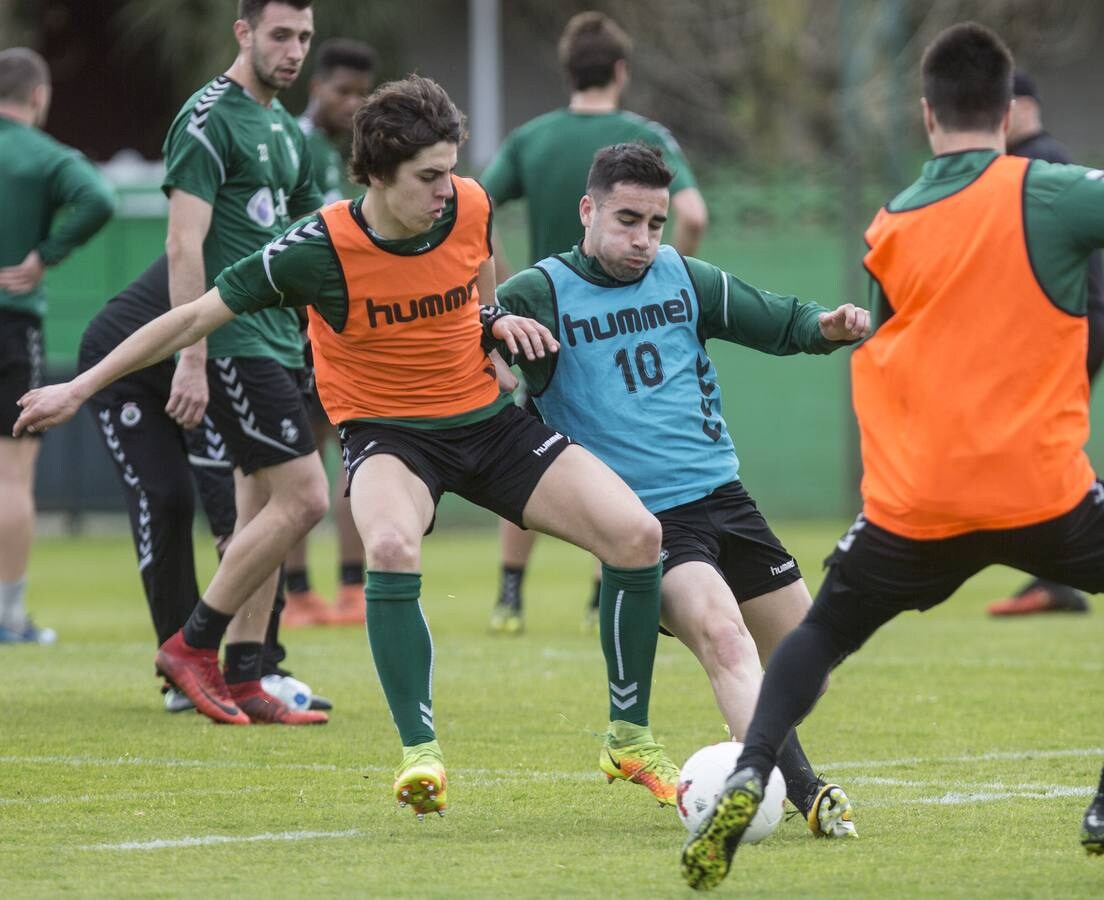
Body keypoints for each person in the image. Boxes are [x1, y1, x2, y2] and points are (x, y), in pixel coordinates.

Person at [680, 22, 1104, 889]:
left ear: (926, 116)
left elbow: (890, 344)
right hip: (1039, 495)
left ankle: (750, 768)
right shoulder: (1045, 188)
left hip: (913, 503)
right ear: (1008, 112)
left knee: (820, 633)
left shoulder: (891, 220)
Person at [17, 75, 682, 815]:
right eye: (428, 176)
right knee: (392, 546)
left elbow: (480, 274)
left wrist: (492, 325)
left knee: (636, 534)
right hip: (390, 436)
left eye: (451, 169)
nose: (447, 188)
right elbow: (189, 319)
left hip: (487, 424)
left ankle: (628, 738)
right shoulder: (316, 249)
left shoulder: (470, 203)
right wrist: (77, 389)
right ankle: (419, 751)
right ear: (375, 174)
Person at [497, 141, 865, 835]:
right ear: (587, 210)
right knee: (726, 640)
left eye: (655, 223)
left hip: (725, 499)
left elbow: (777, 319)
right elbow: (468, 343)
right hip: (643, 522)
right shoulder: (537, 293)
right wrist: (489, 338)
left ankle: (742, 733)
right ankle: (805, 792)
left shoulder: (683, 278)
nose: (642, 240)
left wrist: (826, 327)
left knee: (811, 661)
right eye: (626, 220)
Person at [480, 10, 709, 635]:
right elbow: (692, 213)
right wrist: (667, 282)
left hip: (547, 324)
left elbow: (475, 205)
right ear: (621, 71)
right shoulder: (644, 134)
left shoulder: (532, 138)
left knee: (528, 439)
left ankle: (509, 596)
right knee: (625, 449)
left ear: (567, 71)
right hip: (624, 329)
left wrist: (505, 286)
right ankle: (601, 591)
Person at [149, 0, 331, 725]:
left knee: (265, 510)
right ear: (244, 32)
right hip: (233, 342)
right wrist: (190, 355)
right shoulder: (207, 119)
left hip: (284, 342)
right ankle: (192, 645)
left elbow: (317, 241)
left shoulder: (290, 132)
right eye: (280, 35)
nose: (294, 51)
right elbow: (181, 246)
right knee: (306, 499)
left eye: (304, 38)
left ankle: (249, 674)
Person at [78, 255, 331, 713]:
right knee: (171, 502)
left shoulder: (307, 299)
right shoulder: (284, 262)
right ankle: (185, 670)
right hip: (141, 372)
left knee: (258, 506)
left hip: (206, 366)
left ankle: (254, 668)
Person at [985, 70, 1104, 616]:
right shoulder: (1035, 159)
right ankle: (1056, 573)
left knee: (1039, 450)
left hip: (1066, 327)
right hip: (1073, 325)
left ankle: (1065, 572)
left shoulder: (1039, 160)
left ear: (1016, 108)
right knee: (1038, 448)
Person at [0, 47, 115, 644]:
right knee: (12, 478)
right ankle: (9, 618)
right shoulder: (45, 156)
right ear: (38, 97)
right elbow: (100, 199)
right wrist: (45, 255)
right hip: (12, 326)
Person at [283, 37, 379, 627]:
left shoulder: (347, 154)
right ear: (316, 88)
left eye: (361, 94)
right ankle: (295, 591)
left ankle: (350, 587)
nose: (352, 103)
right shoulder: (290, 144)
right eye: (343, 91)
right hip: (293, 328)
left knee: (350, 450)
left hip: (339, 331)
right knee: (298, 455)